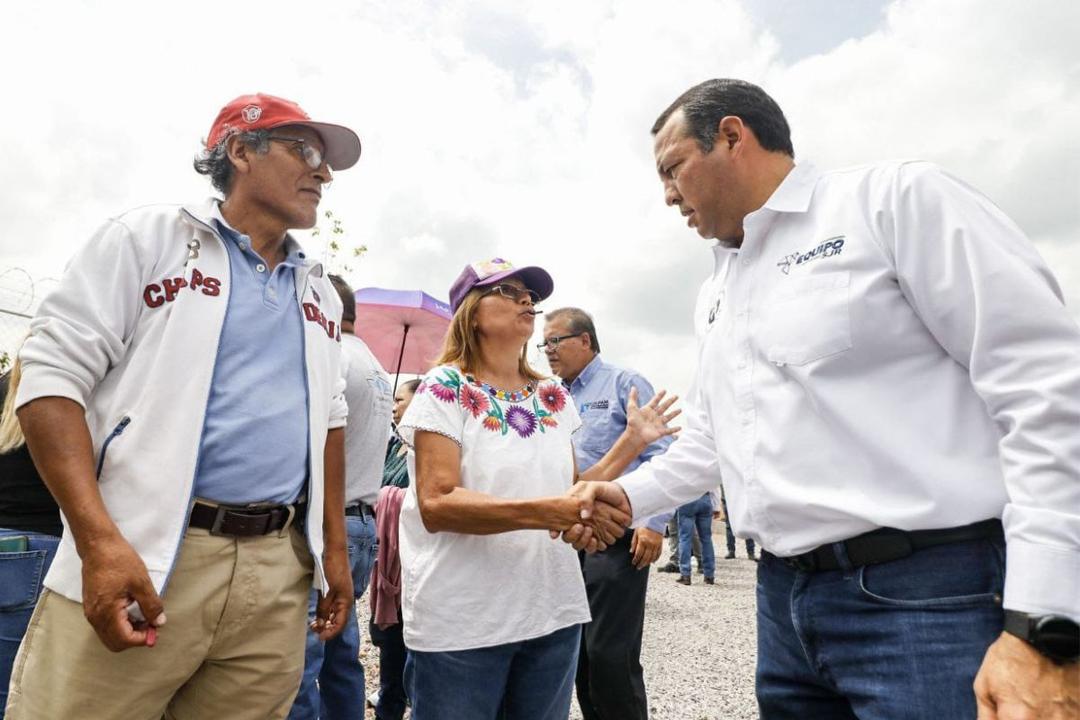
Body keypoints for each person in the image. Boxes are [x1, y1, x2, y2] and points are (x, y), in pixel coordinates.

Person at [562, 78, 1080, 719]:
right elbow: (716, 436)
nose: (667, 196)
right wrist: (631, 494)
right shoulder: (719, 286)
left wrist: (1046, 620)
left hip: (930, 595)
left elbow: (1046, 385)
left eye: (672, 170)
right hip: (784, 605)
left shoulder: (893, 202)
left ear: (731, 136)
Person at [6, 93, 362, 720]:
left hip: (275, 568)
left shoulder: (319, 292)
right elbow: (51, 379)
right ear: (239, 151)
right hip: (143, 553)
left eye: (325, 161)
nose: (323, 172)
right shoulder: (148, 240)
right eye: (304, 150)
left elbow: (331, 419)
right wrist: (99, 544)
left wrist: (333, 547)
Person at [397, 258, 677, 720]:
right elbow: (437, 502)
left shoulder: (552, 395)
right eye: (506, 291)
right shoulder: (442, 388)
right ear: (471, 311)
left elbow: (571, 490)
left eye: (530, 294)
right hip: (465, 620)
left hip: (552, 612)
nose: (526, 300)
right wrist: (552, 512)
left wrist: (631, 443)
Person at [540, 306, 672, 720]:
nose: (547, 351)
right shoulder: (554, 397)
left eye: (555, 341)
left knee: (610, 651)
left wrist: (652, 524)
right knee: (576, 651)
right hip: (570, 536)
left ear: (585, 340)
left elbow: (662, 452)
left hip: (618, 534)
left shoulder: (623, 383)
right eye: (543, 344)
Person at [289, 274, 393, 719]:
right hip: (361, 522)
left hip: (326, 525)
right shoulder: (375, 366)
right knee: (341, 652)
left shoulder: (330, 356)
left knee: (301, 659)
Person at [0, 362, 61, 719]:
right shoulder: (65, 393)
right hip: (41, 547)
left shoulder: (7, 387)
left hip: (6, 540)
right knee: (19, 687)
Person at [366, 376, 421, 720]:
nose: (395, 405)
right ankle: (389, 703)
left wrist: (389, 498)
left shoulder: (427, 449)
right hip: (385, 559)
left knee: (408, 642)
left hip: (412, 561)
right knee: (389, 644)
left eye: (401, 399)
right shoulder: (392, 445)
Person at [674, 493, 716, 585]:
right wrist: (716, 506)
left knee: (685, 538)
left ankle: (685, 575)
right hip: (705, 498)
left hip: (687, 498)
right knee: (706, 539)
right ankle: (709, 575)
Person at [719, 487, 754, 560]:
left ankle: (733, 551)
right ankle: (750, 552)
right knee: (746, 525)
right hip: (734, 500)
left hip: (733, 500)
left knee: (732, 526)